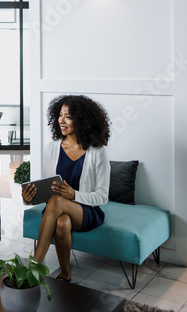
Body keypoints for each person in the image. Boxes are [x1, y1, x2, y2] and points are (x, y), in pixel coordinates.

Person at [22, 95, 111, 282]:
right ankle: (65, 275)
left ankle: (33, 269)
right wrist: (29, 197)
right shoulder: (52, 148)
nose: (61, 120)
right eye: (60, 115)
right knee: (62, 223)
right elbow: (48, 188)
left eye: (68, 117)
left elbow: (103, 196)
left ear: (82, 121)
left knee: (56, 201)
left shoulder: (98, 152)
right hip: (57, 209)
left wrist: (74, 195)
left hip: (85, 211)